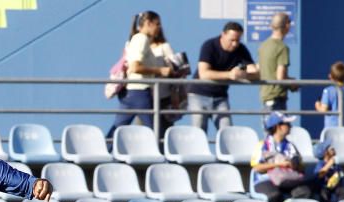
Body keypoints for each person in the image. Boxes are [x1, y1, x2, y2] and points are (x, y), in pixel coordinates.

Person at [106, 11, 175, 139]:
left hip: (130, 93)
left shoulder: (137, 39)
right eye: (157, 24)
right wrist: (160, 71)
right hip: (141, 92)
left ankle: (101, 154)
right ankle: (163, 157)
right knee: (156, 132)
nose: (159, 28)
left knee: (117, 129)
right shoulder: (142, 39)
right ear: (148, 23)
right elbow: (135, 67)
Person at [188, 22, 259, 134]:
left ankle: (227, 152)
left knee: (227, 132)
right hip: (198, 94)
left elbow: (254, 71)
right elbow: (204, 74)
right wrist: (229, 75)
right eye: (232, 40)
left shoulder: (241, 49)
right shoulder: (209, 45)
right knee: (199, 131)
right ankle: (198, 152)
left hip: (220, 97)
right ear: (223, 35)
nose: (235, 44)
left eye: (238, 40)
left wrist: (244, 74)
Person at [250, 112, 310, 202]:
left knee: (305, 192)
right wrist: (279, 164)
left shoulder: (290, 146)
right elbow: (257, 168)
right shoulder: (263, 145)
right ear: (278, 127)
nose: (290, 126)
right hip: (265, 180)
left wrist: (294, 165)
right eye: (287, 124)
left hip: (287, 180)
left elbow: (302, 168)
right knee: (275, 195)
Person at [148, 24, 189, 136]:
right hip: (146, 95)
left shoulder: (164, 47)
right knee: (144, 130)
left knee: (163, 132)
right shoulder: (139, 46)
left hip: (163, 96)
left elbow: (175, 69)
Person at [258, 12, 297, 116]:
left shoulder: (263, 46)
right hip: (277, 97)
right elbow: (280, 77)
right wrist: (293, 84)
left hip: (266, 96)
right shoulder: (282, 48)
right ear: (287, 26)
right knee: (281, 130)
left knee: (271, 131)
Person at [315, 61, 344, 130]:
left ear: (330, 76)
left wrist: (317, 104)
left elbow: (323, 110)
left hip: (330, 129)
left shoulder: (328, 91)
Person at [310, 138, 344, 202]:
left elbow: (341, 177)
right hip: (324, 188)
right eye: (330, 148)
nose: (333, 149)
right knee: (323, 194)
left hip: (335, 188)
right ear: (325, 153)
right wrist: (328, 165)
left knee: (343, 191)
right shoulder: (321, 164)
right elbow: (319, 175)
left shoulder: (336, 166)